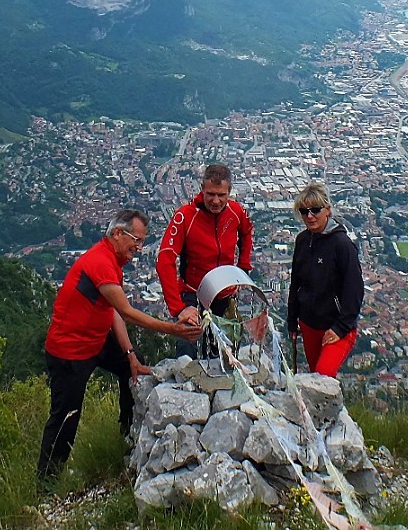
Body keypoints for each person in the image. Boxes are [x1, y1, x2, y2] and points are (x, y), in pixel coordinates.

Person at [38, 209, 201, 484]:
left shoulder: (112, 259)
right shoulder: (101, 262)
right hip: (71, 351)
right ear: (117, 233)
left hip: (97, 339)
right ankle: (46, 483)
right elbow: (125, 312)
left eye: (141, 242)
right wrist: (174, 329)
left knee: (133, 368)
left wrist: (128, 354)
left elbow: (112, 310)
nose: (138, 247)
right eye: (135, 240)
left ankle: (128, 434)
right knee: (66, 418)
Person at [157, 163, 254, 357]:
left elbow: (247, 232)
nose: (216, 201)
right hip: (192, 294)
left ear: (229, 192)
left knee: (223, 350)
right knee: (187, 350)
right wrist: (178, 308)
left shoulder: (236, 212)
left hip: (224, 294)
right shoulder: (185, 217)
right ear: (202, 189)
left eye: (221, 195)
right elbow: (164, 260)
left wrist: (243, 267)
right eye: (210, 194)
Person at [286, 181, 363, 378]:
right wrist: (292, 320)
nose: (309, 216)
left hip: (336, 325)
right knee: (314, 377)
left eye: (315, 210)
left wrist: (341, 327)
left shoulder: (342, 245)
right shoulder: (303, 240)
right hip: (309, 323)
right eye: (304, 211)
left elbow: (354, 289)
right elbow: (296, 282)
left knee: (323, 375)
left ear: (327, 210)